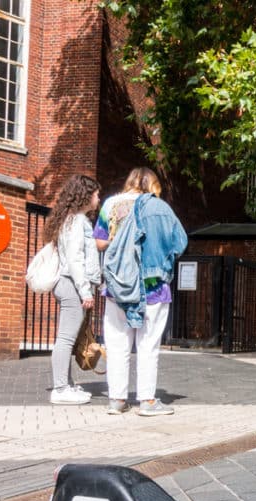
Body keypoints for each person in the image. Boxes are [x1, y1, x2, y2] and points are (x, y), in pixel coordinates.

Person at [94, 167, 188, 417]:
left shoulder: (111, 204)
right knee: (148, 346)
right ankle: (147, 401)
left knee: (117, 346)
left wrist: (122, 245)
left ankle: (117, 400)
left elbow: (99, 241)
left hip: (118, 286)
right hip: (153, 287)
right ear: (153, 185)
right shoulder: (161, 208)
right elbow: (180, 242)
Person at [46, 174, 102, 405]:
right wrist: (85, 291)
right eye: (97, 194)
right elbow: (75, 258)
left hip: (69, 283)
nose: (99, 199)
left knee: (67, 337)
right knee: (66, 338)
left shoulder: (70, 220)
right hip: (72, 284)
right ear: (86, 196)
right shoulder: (77, 222)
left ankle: (66, 385)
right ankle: (60, 389)